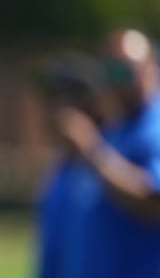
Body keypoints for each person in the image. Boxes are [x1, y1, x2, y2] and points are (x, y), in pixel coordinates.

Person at [37, 28, 160, 278]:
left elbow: (153, 202)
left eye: (125, 71)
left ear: (151, 69)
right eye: (111, 72)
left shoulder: (153, 127)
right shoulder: (116, 130)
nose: (117, 80)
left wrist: (92, 149)